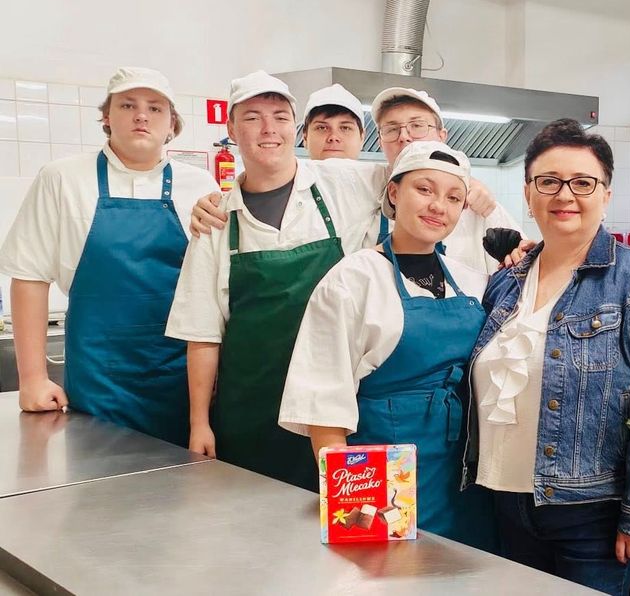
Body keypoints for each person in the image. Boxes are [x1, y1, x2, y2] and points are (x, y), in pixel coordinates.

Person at [464, 119, 630, 595]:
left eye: (583, 183)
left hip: (592, 513)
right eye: (549, 182)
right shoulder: (504, 281)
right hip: (502, 498)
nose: (565, 195)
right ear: (528, 193)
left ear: (605, 194)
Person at [165, 71, 386, 490]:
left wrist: (473, 190)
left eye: (280, 117)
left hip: (337, 411)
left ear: (294, 128)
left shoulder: (344, 181)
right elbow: (203, 333)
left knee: (346, 530)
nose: (269, 129)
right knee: (252, 530)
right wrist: (199, 423)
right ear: (231, 129)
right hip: (250, 408)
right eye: (252, 117)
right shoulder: (216, 219)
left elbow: (423, 178)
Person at [279, 140, 495, 550]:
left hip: (464, 476)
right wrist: (357, 511)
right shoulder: (353, 278)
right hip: (383, 478)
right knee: (385, 573)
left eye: (453, 197)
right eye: (424, 190)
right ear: (394, 193)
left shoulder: (472, 281)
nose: (438, 206)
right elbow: (324, 404)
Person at [0, 67, 217, 446]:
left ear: (172, 125)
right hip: (99, 381)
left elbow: (214, 288)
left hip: (182, 381)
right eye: (128, 105)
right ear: (106, 117)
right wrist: (32, 378)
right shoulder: (62, 178)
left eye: (155, 108)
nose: (141, 116)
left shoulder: (200, 186)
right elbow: (30, 277)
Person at [190, 86, 524, 274]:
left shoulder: (478, 202)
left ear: (442, 134)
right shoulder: (366, 181)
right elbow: (275, 173)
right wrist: (224, 198)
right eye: (392, 130)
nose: (406, 137)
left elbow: (522, 255)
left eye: (418, 125)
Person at [299, 83, 365, 161]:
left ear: (362, 138)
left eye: (345, 128)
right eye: (322, 128)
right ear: (305, 137)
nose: (333, 137)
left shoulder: (379, 173)